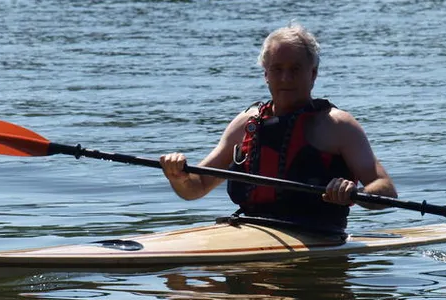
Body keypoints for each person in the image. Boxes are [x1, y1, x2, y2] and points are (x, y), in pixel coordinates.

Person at [160, 24, 397, 232]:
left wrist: (354, 193)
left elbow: (386, 189)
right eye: (277, 69)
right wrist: (177, 175)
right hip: (248, 228)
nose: (285, 78)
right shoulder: (246, 123)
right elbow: (196, 187)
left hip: (319, 234)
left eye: (295, 69)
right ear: (266, 74)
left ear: (313, 74)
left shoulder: (338, 125)